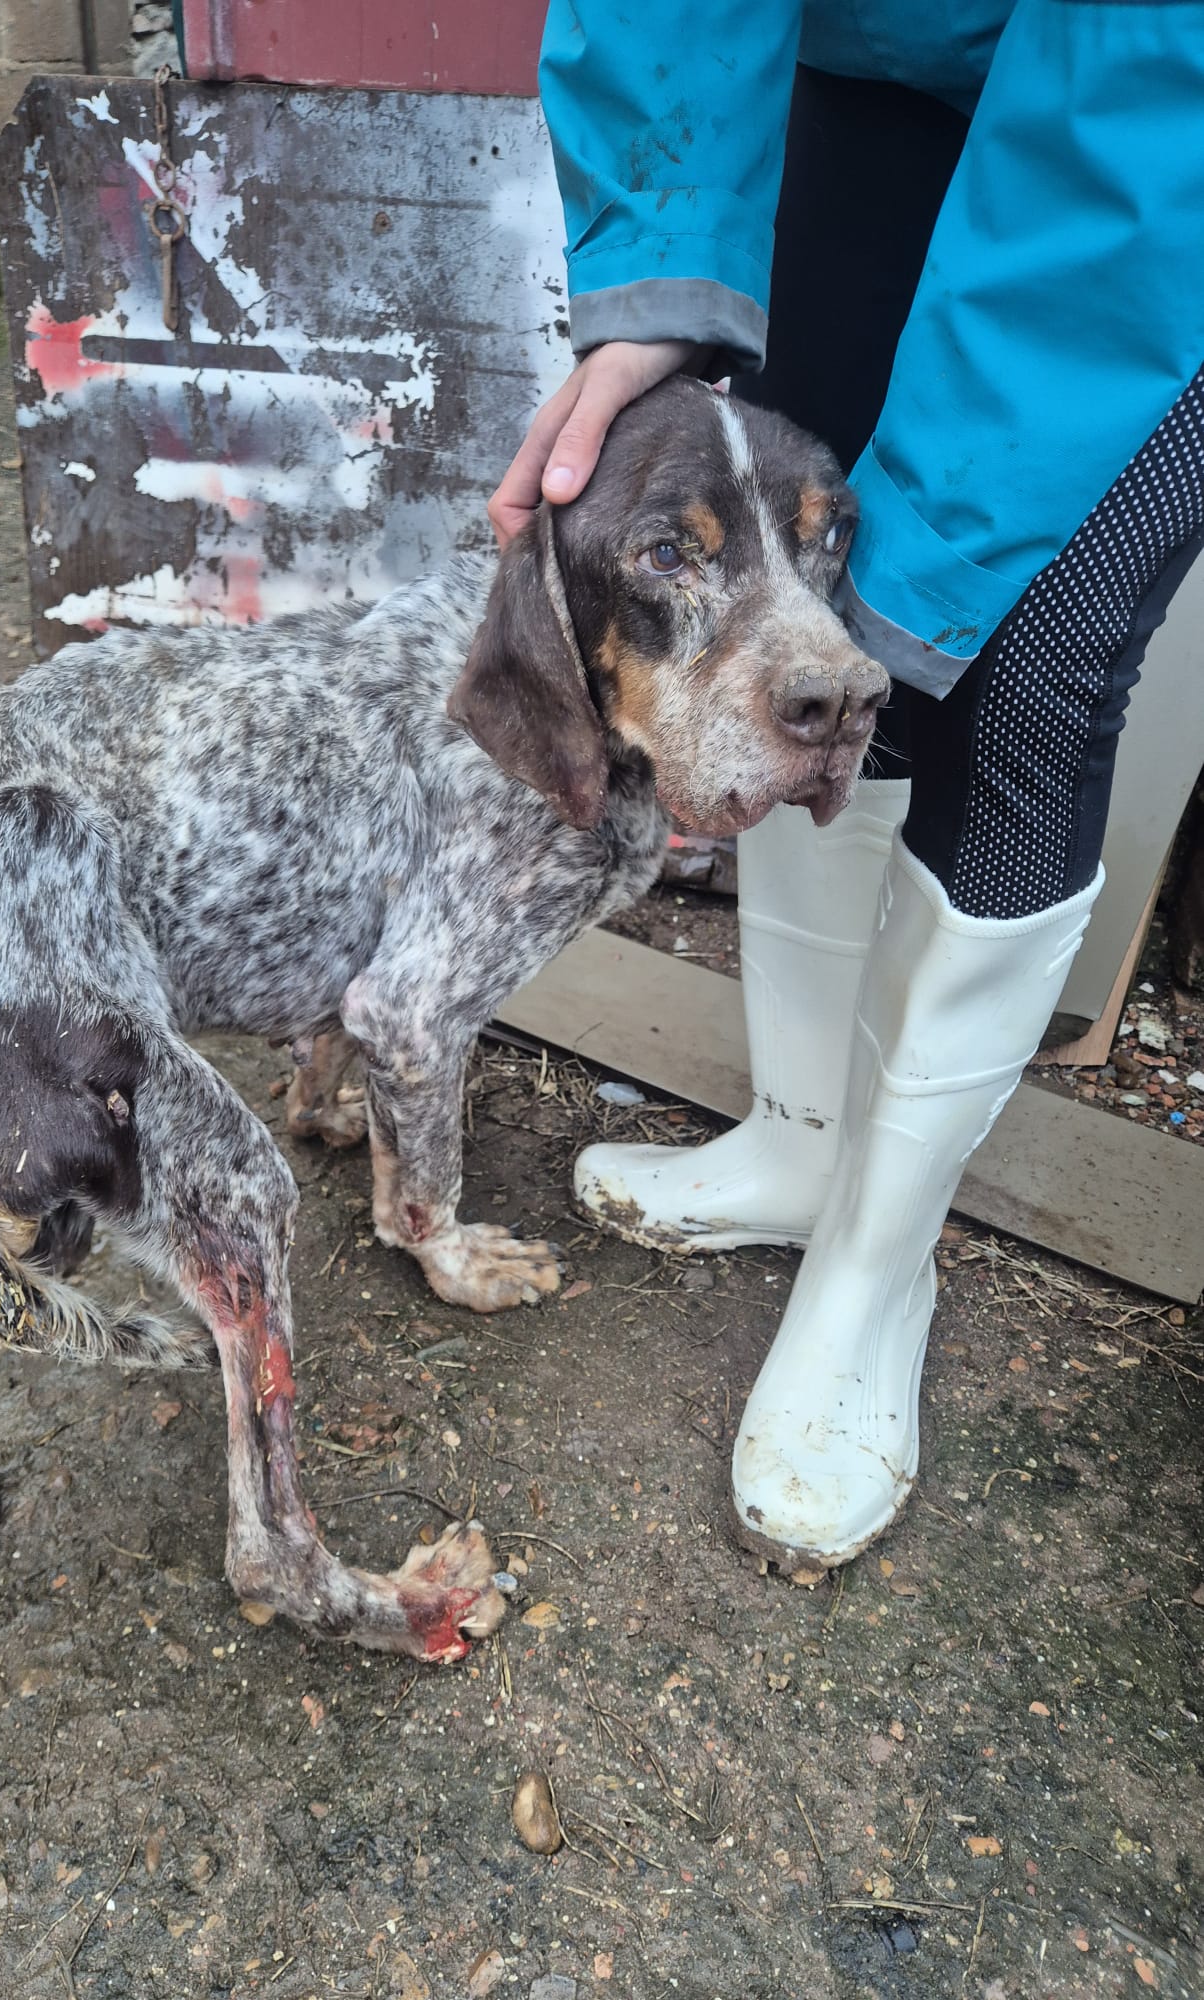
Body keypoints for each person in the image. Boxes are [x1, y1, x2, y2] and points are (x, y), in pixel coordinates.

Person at [489, 4, 1204, 1573]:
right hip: (860, 61)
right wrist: (660, 263)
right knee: (796, 588)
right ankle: (806, 1132)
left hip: (1158, 124)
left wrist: (898, 604)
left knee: (1022, 667)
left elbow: (1146, 91)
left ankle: (880, 1264)